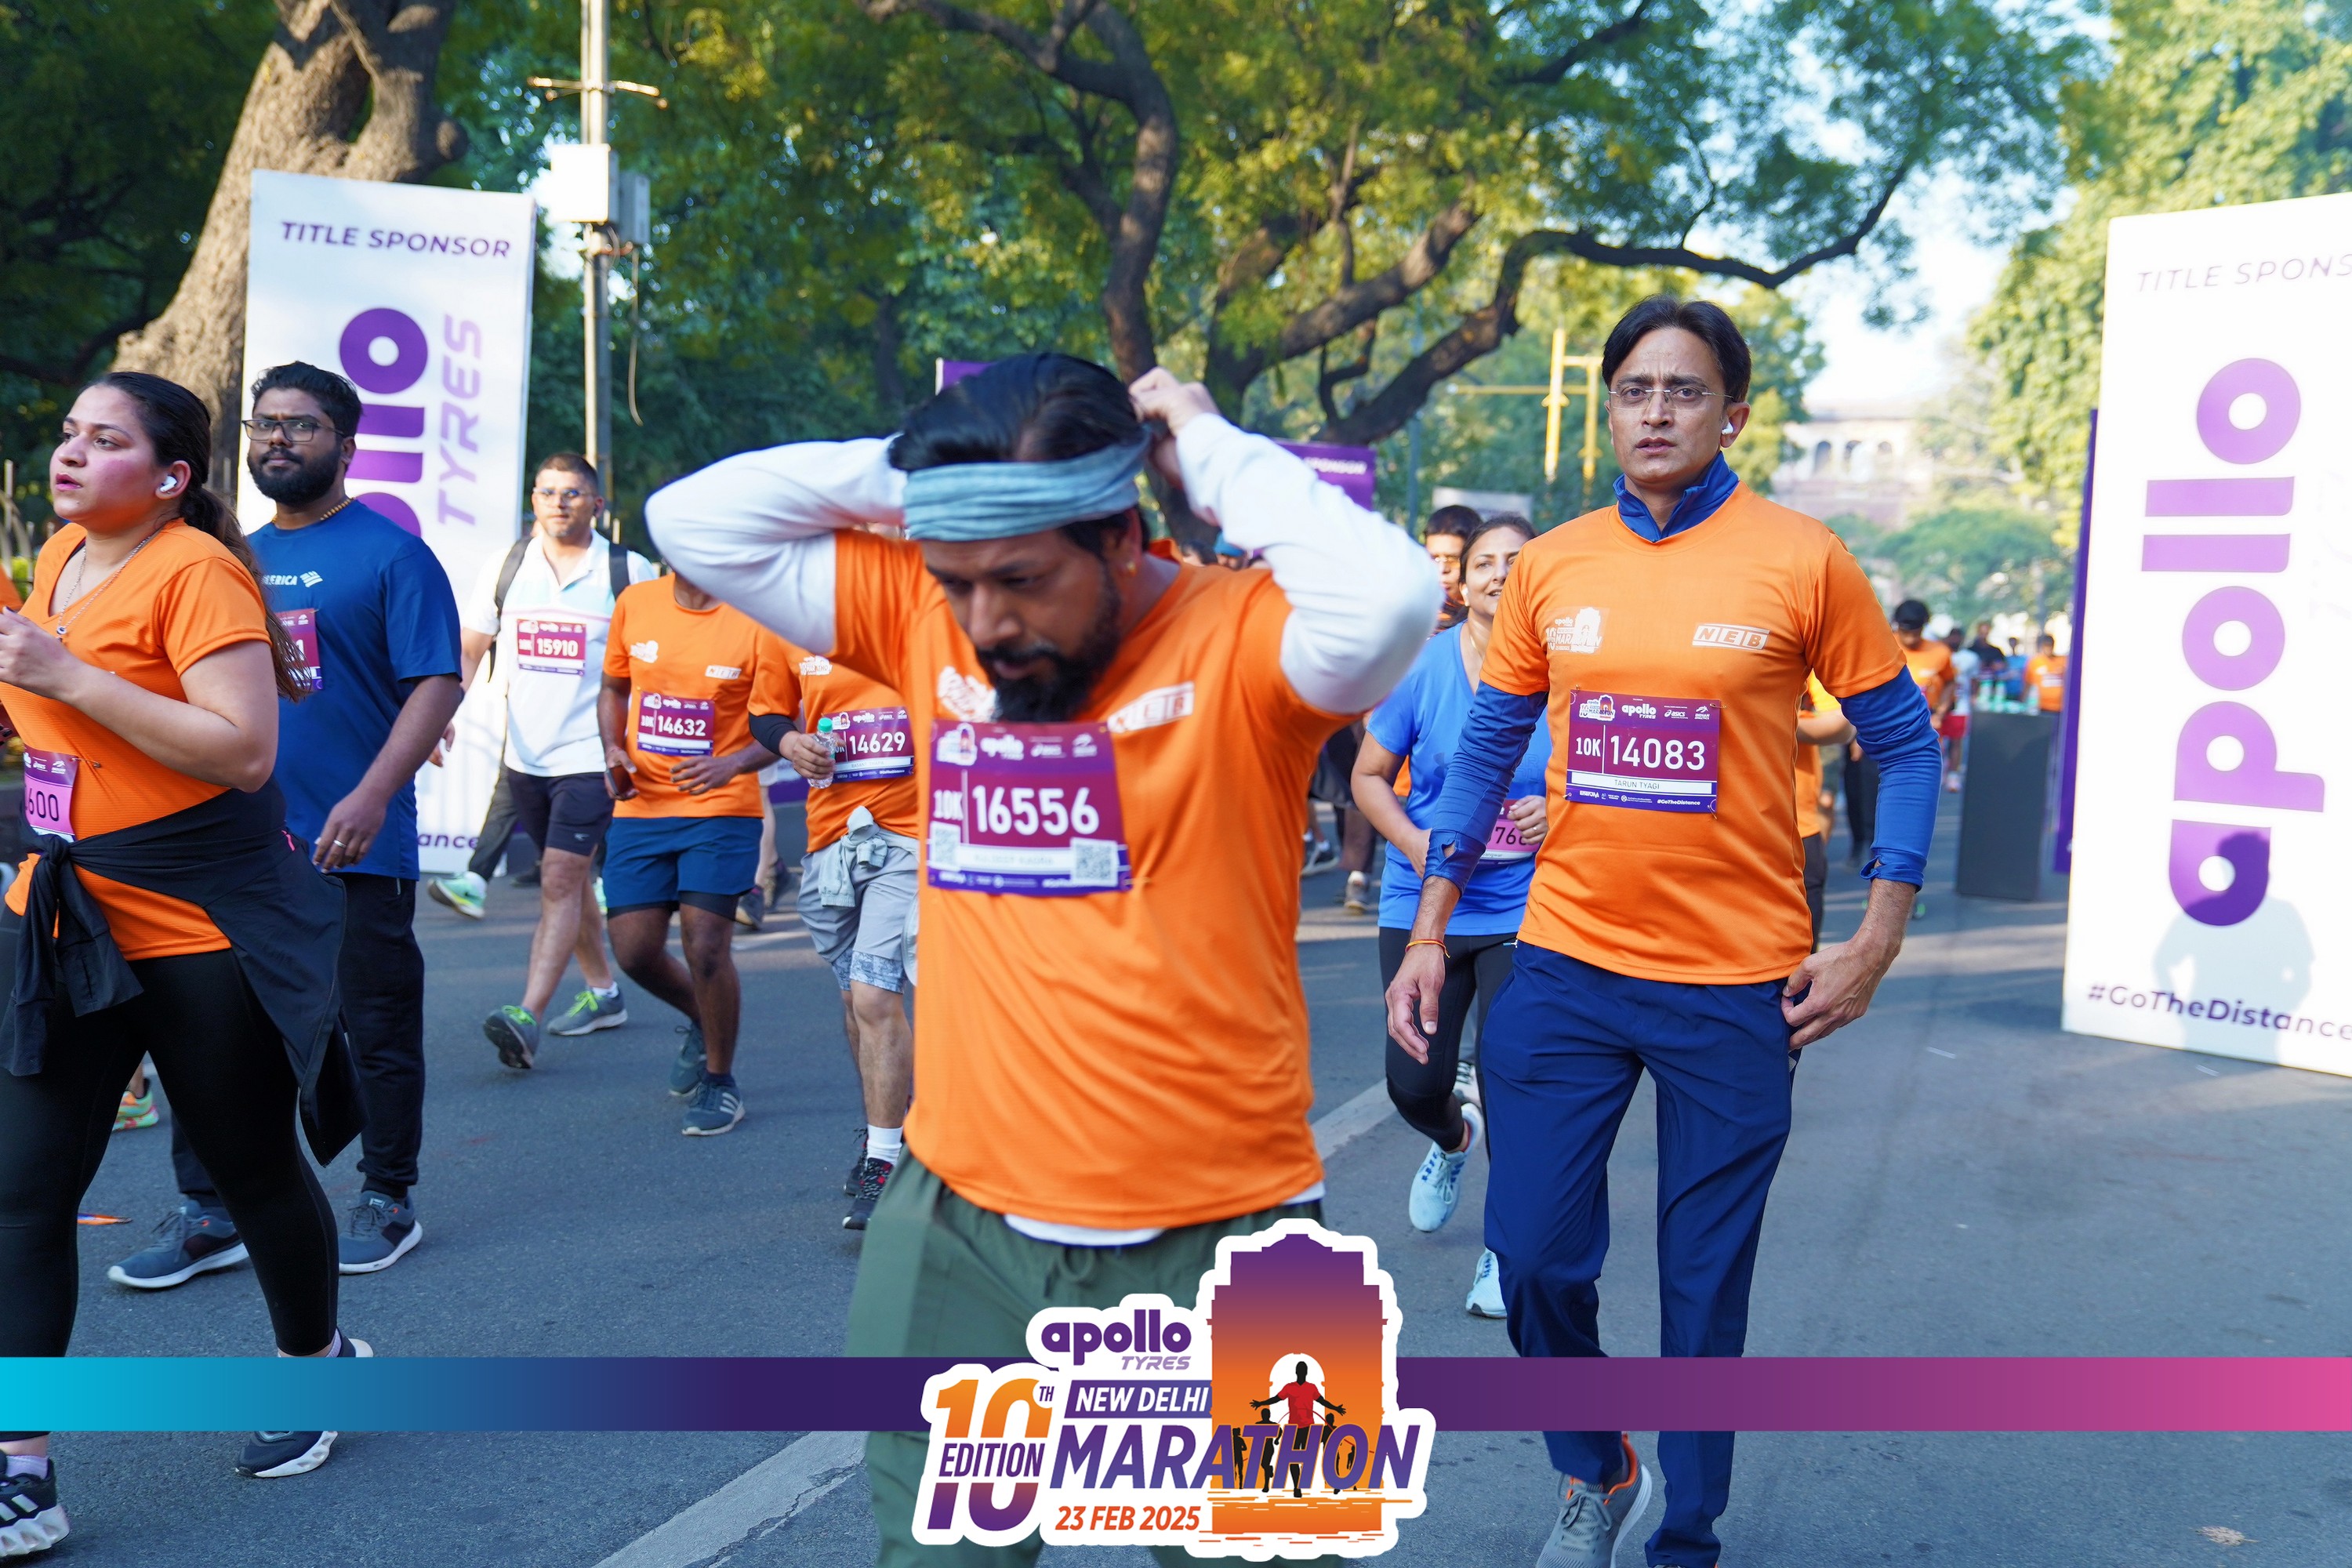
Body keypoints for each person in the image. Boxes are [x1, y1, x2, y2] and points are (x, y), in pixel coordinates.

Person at [646, 351, 1436, 1567]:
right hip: (958, 1227)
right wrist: (935, 476)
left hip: (1232, 1236)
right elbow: (691, 518)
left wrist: (1201, 445)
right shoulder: (930, 614)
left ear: (1121, 535)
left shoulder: (1243, 640)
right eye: (957, 579)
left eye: (1022, 579)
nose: (987, 624)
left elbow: (1392, 597)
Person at [1384, 296, 1941, 1568]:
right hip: (1565, 965)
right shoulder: (1554, 564)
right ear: (1608, 410)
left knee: (1702, 1291)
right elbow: (1483, 755)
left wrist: (1877, 938)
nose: (1655, 412)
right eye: (1634, 390)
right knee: (1531, 1258)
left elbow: (1904, 748)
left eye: (1684, 391)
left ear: (1731, 415)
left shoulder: (1804, 558)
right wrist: (1428, 929)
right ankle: (1597, 1466)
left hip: (1737, 987)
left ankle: (1687, 1538)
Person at [0, 373, 376, 1549]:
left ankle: (315, 1364)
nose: (71, 453)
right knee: (22, 1190)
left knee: (251, 1168)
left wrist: (65, 675)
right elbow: (64, 731)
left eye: (105, 440)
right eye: (70, 433)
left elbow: (245, 751)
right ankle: (22, 1470)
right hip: (70, 915)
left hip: (200, 924)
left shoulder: (196, 571)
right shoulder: (60, 555)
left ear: (171, 478)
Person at [108, 361, 463, 1290]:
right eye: (264, 423)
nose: (276, 438)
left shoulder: (392, 554)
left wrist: (373, 795)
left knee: (373, 1023)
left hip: (353, 840)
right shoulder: (225, 558)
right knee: (209, 1029)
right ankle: (210, 1210)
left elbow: (436, 682)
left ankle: (387, 1194)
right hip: (232, 844)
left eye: (300, 425)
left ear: (346, 446)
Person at [1352, 513, 1549, 1319]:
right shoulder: (1423, 668)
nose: (1501, 572)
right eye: (1485, 562)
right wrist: (1416, 840)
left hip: (1527, 904)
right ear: (1462, 585)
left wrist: (1561, 806)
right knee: (1415, 1083)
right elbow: (1369, 775)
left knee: (1515, 1081)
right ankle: (1451, 1140)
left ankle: (1506, 1250)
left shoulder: (1574, 672)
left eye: (1517, 560)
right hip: (1423, 898)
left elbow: (1606, 779)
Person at [458, 455, 659, 1069]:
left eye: (572, 493)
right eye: (547, 492)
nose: (558, 503)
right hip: (525, 757)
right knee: (563, 881)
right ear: (534, 499)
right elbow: (470, 649)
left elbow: (655, 664)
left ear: (596, 504)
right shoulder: (508, 565)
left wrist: (637, 747)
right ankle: (604, 993)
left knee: (561, 881)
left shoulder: (627, 570)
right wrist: (441, 714)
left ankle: (527, 1016)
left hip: (593, 756)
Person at [596, 571, 783, 1135]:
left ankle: (720, 1082)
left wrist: (733, 764)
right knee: (633, 952)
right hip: (642, 805)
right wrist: (612, 749)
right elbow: (614, 689)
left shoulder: (757, 615)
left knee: (705, 945)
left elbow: (782, 720)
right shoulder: (637, 602)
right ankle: (705, 1017)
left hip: (721, 808)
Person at [750, 637, 922, 1229]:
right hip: (832, 839)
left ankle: (884, 1163)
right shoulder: (786, 619)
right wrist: (790, 743)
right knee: (855, 1001)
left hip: (911, 835)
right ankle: (894, 1129)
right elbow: (766, 712)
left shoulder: (920, 602)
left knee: (874, 996)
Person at [1795, 677, 1854, 947]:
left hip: (1797, 824)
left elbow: (1842, 723)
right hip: (1719, 824)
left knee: (1827, 802)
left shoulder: (1805, 664)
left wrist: (1769, 721)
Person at [1423, 504, 1477, 631]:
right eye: (1434, 558)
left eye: (1452, 559)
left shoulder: (1490, 619)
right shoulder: (1412, 614)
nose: (1442, 569)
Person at [2026, 633, 2067, 713]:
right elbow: (2028, 683)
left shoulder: (2063, 661)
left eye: (2050, 645)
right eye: (2046, 646)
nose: (2048, 648)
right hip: (2041, 706)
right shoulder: (2035, 662)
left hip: (2060, 706)